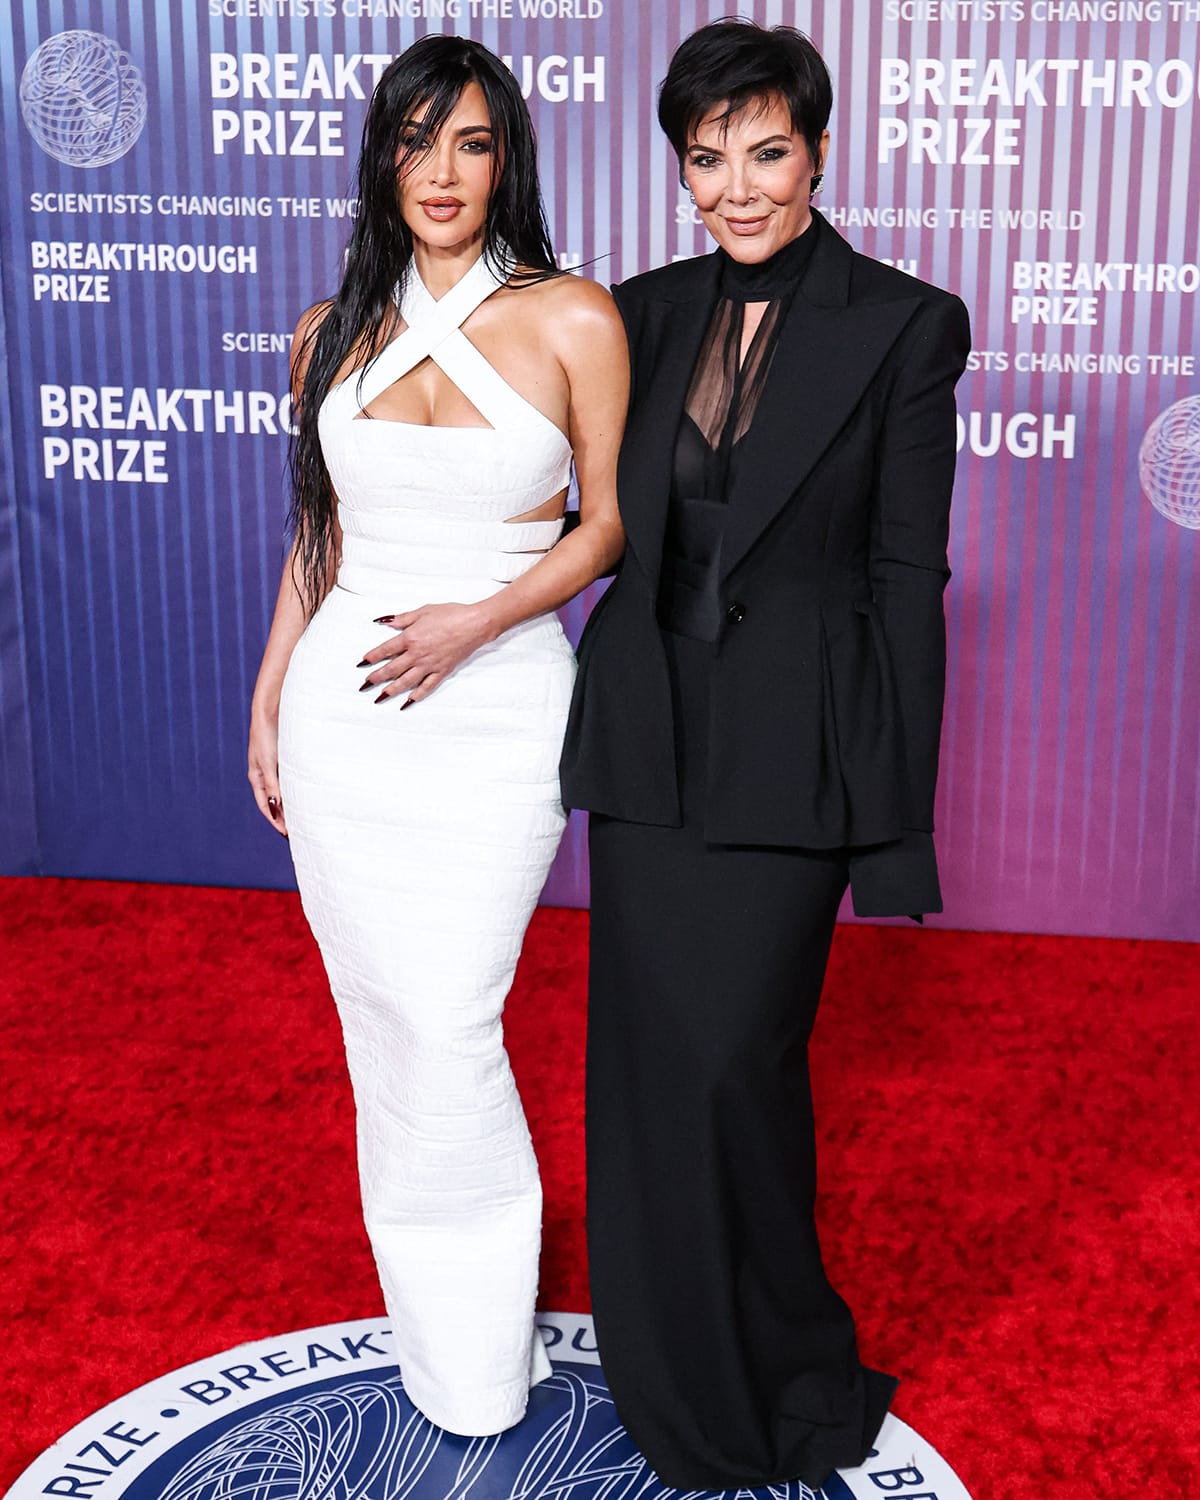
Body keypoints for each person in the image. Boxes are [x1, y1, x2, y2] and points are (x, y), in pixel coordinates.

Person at [560, 18, 971, 1492]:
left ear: (817, 148)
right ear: (682, 168)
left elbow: (903, 581)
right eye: (706, 158)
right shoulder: (637, 312)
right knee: (647, 1077)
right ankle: (671, 1379)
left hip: (792, 760)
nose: (737, 188)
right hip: (649, 743)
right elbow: (553, 487)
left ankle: (787, 1358)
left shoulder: (907, 324)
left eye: (766, 152)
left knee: (738, 1066)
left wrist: (893, 820)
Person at [247, 34, 626, 1438]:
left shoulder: (574, 316)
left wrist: (478, 620)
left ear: (507, 154)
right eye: (417, 141)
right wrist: (270, 690)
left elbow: (608, 521)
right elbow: (317, 532)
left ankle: (481, 1347)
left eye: (470, 141)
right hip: (348, 711)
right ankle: (443, 1341)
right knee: (382, 1020)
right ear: (382, 161)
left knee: (453, 1014)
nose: (443, 171)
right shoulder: (325, 331)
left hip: (499, 708)